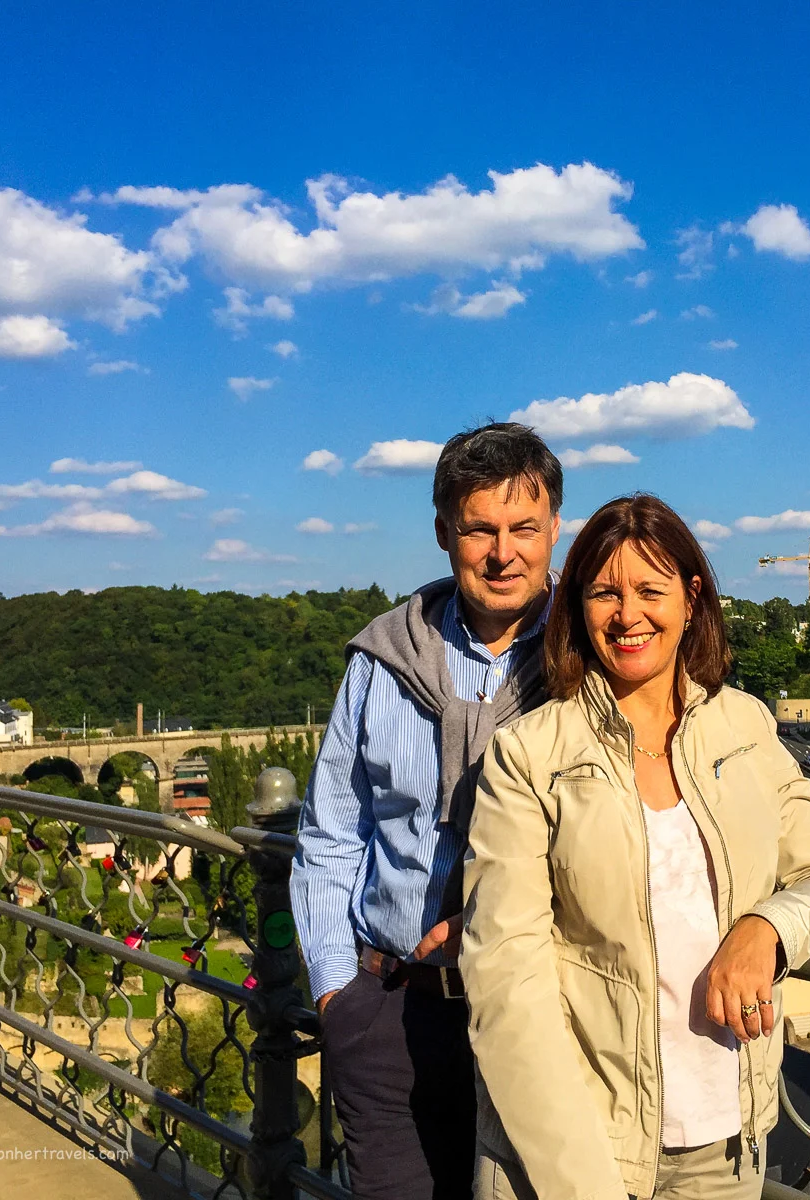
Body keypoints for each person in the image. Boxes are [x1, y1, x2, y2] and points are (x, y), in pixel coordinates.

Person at [461, 494, 810, 1200]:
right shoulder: (528, 757)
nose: (627, 615)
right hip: (576, 1158)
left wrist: (767, 928)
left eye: (651, 589)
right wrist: (581, 1183)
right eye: (604, 593)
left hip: (725, 1153)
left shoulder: (744, 726)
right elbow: (507, 987)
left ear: (692, 595)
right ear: (578, 607)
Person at [290, 422, 564, 1200]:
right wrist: (339, 995)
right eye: (480, 528)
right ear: (445, 534)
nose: (502, 552)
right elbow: (330, 834)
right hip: (391, 1010)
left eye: (523, 529)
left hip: (536, 1018)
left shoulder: (587, 660)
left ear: (554, 531)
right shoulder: (382, 660)